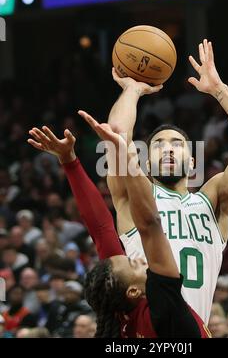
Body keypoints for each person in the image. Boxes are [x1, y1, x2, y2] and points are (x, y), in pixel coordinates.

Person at [79, 39, 228, 324]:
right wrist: (132, 90)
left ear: (193, 160)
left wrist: (220, 91)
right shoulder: (134, 194)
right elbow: (117, 135)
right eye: (158, 145)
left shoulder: (213, 198)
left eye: (177, 144)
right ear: (146, 161)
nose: (168, 148)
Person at [27, 125, 210, 338]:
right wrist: (126, 153)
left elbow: (101, 228)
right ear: (133, 291)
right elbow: (151, 224)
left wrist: (69, 161)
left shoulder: (119, 307)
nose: (141, 259)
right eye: (133, 262)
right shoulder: (164, 309)